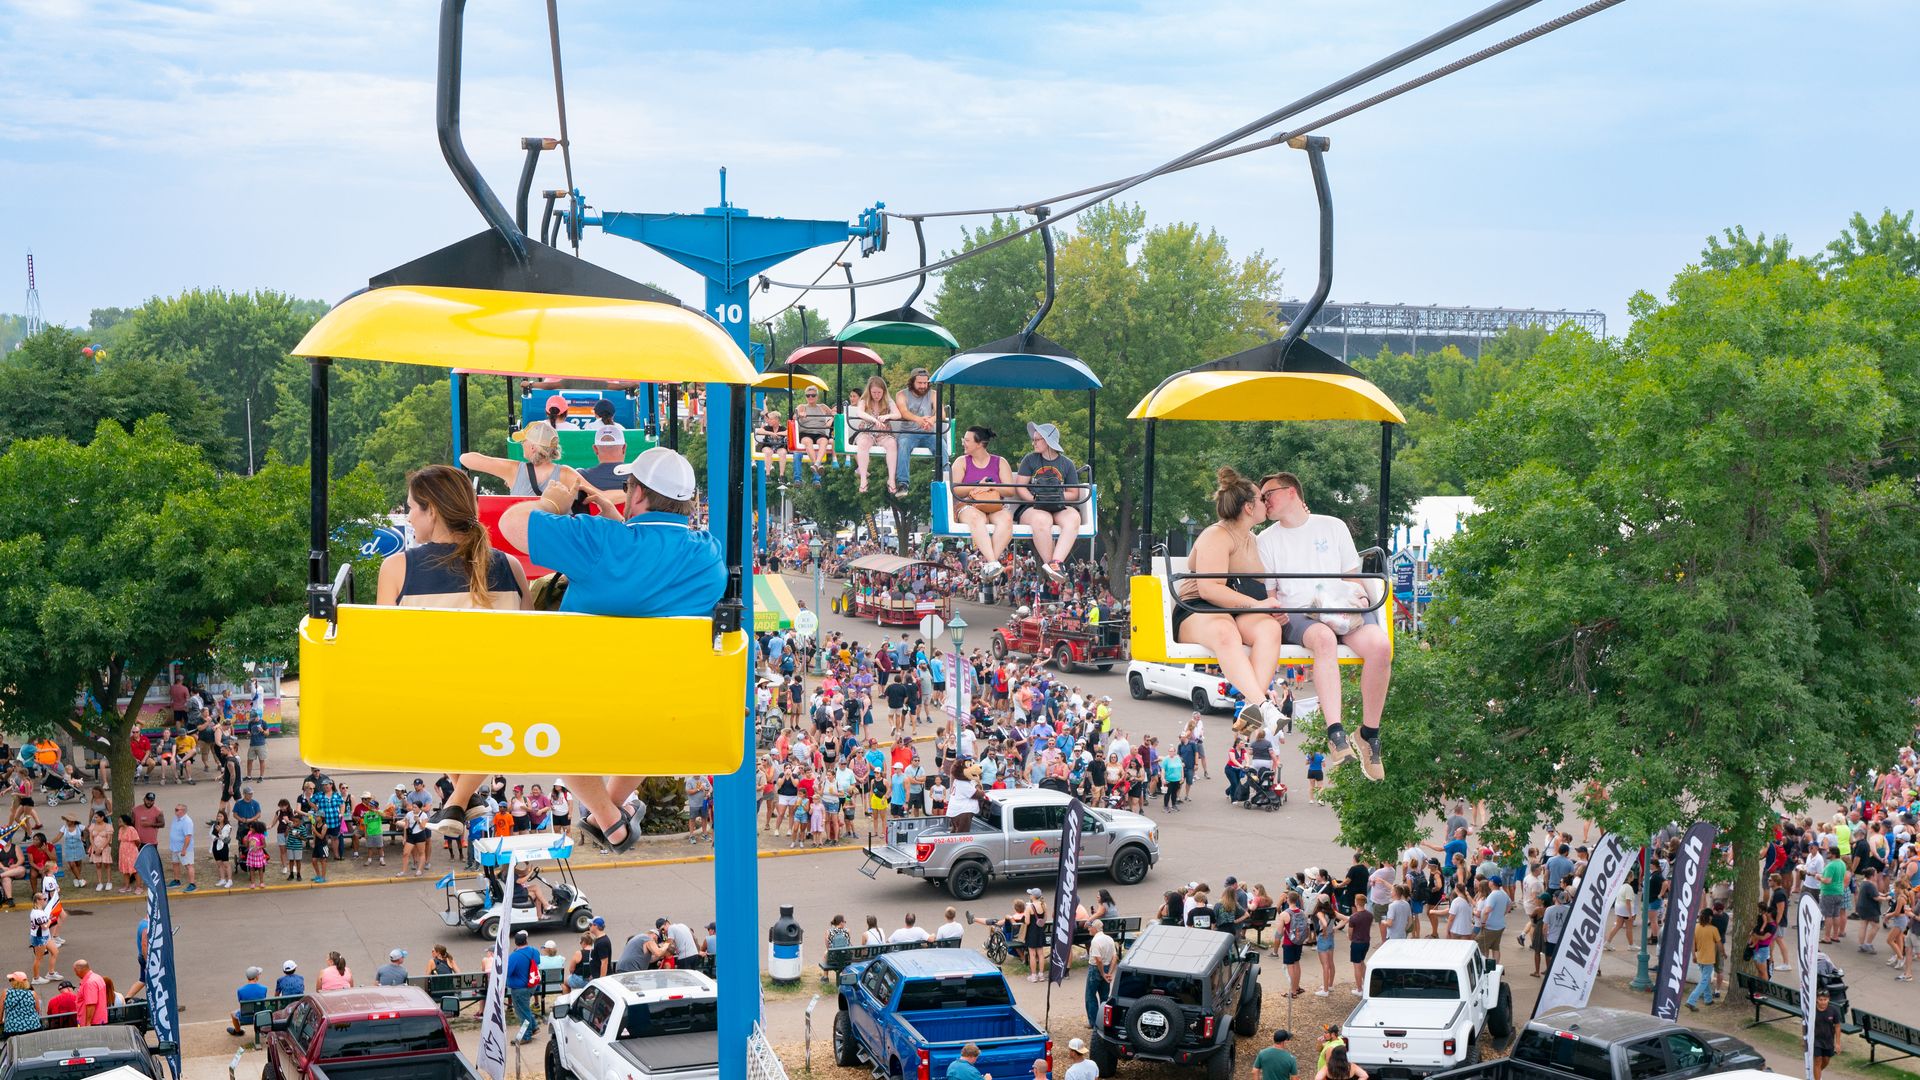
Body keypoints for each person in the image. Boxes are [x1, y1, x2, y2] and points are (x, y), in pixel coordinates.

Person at [498, 447, 725, 853]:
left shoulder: (599, 542)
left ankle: (607, 816)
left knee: (548, 728)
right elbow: (648, 568)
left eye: (627, 486)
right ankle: (610, 814)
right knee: (649, 733)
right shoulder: (708, 555)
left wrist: (557, 502)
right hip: (659, 704)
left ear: (637, 494)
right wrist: (621, 523)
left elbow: (511, 523)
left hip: (580, 698)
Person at [1254, 473, 1393, 779]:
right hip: (1301, 612)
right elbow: (1272, 594)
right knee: (1324, 639)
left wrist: (1359, 597)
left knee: (1381, 647)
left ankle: (1369, 733)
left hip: (1338, 603)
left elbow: (1351, 576)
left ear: (1291, 492)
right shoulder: (1266, 540)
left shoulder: (1333, 526)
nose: (1264, 502)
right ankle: (1336, 732)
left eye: (1268, 495)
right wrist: (1276, 611)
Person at [1176, 468, 1290, 727]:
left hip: (1233, 607)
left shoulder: (1253, 539)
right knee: (1225, 631)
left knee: (1269, 628)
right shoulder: (1216, 535)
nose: (1267, 503)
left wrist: (1277, 606)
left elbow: (1268, 580)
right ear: (1250, 508)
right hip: (1197, 608)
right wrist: (1258, 604)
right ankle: (1263, 704)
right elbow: (1209, 589)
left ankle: (1253, 710)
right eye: (1262, 499)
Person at [1013, 422, 1084, 581]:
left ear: (1047, 441)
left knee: (1073, 518)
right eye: (1034, 439)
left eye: (1037, 439)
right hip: (1034, 506)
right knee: (1042, 519)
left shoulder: (1067, 464)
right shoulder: (1030, 460)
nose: (1034, 443)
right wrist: (1036, 499)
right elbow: (1020, 487)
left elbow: (1074, 493)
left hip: (1058, 505)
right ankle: (1052, 565)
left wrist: (1055, 496)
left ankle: (1056, 562)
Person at [949, 427, 1016, 577]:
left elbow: (1010, 491)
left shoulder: (1000, 462)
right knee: (977, 518)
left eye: (966, 440)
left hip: (994, 505)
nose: (963, 443)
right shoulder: (961, 462)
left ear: (979, 444)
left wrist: (992, 486)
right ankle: (992, 562)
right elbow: (955, 490)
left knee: (1006, 519)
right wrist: (978, 485)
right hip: (969, 504)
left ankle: (990, 564)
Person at [460, 419, 565, 497]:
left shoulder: (514, 470)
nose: (521, 444)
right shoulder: (567, 474)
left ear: (532, 447)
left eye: (523, 441)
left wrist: (513, 479)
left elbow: (465, 459)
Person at [847, 375, 901, 494]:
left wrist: (887, 416)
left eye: (879, 392)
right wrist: (873, 419)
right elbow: (860, 412)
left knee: (892, 443)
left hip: (883, 432)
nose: (876, 395)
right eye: (874, 392)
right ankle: (863, 479)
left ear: (884, 391)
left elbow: (898, 414)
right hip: (867, 431)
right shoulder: (864, 400)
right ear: (869, 391)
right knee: (863, 443)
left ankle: (891, 479)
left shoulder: (888, 401)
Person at [892, 368, 939, 492]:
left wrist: (932, 420)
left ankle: (944, 477)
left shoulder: (933, 394)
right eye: (920, 383)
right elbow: (903, 412)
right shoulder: (901, 394)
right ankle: (903, 483)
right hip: (909, 433)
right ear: (912, 382)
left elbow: (942, 413)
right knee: (903, 444)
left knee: (940, 444)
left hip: (928, 432)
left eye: (926, 383)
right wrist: (918, 419)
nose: (923, 386)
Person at [506, 929, 543, 1044]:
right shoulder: (534, 951)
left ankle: (526, 1036)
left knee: (522, 1013)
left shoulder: (514, 956)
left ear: (516, 943)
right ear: (526, 940)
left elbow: (507, 972)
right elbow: (537, 962)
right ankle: (534, 1027)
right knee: (525, 1009)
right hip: (532, 985)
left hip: (520, 989)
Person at [1683, 905, 1720, 1011]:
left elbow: (1692, 943)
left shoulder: (1695, 926)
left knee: (1706, 978)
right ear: (1710, 918)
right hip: (1708, 959)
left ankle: (1708, 999)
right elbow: (1719, 943)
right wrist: (1723, 953)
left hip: (1699, 958)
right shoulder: (1713, 929)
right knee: (1704, 980)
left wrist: (1694, 956)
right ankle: (1691, 1001)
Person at [794, 387, 835, 479]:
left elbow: (833, 413)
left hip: (819, 432)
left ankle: (816, 464)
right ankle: (817, 464)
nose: (810, 397)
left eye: (813, 395)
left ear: (817, 396)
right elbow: (794, 416)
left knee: (824, 441)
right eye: (808, 396)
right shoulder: (802, 407)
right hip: (806, 432)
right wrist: (799, 415)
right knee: (808, 442)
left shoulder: (822, 407)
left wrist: (833, 417)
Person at [227, 967, 269, 1036]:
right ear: (256, 977)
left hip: (245, 1018)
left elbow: (240, 1002)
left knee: (233, 1013)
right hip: (260, 1017)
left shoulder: (240, 990)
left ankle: (238, 1031)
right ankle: (263, 1029)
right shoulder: (264, 988)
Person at [1812, 988, 1841, 1080]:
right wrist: (1804, 1038)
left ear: (1828, 999)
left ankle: (1816, 1074)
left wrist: (1838, 1043)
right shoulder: (1812, 1010)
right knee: (1817, 1060)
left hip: (1828, 1040)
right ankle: (1817, 1077)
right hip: (1816, 1040)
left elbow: (1837, 1026)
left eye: (1825, 999)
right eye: (1820, 999)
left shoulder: (1833, 1010)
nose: (1823, 1002)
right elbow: (1805, 1024)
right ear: (1817, 999)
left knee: (1826, 1061)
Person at [167, 802, 196, 892]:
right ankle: (176, 880)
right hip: (175, 847)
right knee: (175, 863)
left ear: (183, 811)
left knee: (188, 865)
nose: (175, 811)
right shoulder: (176, 818)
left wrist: (184, 849)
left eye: (177, 810)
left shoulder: (187, 821)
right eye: (175, 809)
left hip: (184, 848)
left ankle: (192, 884)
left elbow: (188, 836)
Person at [72, 959, 107, 1026]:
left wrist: (88, 1023)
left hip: (92, 1022)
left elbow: (91, 1004)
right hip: (100, 1020)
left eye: (75, 971)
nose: (75, 974)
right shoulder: (97, 977)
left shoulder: (89, 983)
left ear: (79, 970)